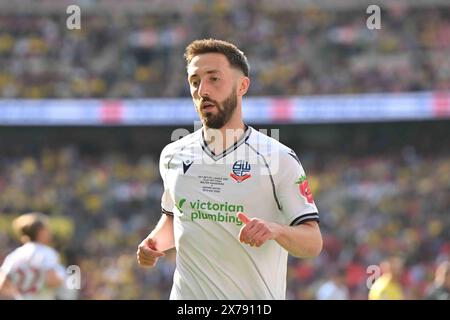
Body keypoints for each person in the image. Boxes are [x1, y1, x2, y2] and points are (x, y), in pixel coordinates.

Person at [136, 38, 322, 299]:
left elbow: (313, 243)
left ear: (242, 86)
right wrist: (154, 243)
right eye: (195, 81)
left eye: (214, 79)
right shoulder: (173, 154)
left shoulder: (277, 158)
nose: (203, 90)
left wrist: (276, 230)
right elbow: (174, 218)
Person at [0, 212, 66, 300]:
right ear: (40, 232)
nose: (50, 232)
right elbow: (52, 279)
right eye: (47, 229)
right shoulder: (46, 253)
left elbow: (3, 284)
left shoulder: (15, 255)